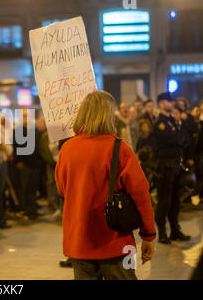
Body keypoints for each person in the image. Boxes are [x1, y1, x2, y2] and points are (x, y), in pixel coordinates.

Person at [55, 91, 156, 280]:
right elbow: (140, 194)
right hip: (116, 242)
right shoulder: (119, 148)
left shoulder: (67, 148)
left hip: (79, 241)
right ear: (109, 114)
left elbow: (62, 189)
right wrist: (148, 235)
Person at [153, 92, 191, 244]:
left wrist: (179, 139)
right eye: (169, 102)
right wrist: (179, 139)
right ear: (162, 104)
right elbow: (174, 139)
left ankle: (175, 230)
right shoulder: (160, 123)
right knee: (164, 201)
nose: (172, 104)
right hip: (165, 167)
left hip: (175, 165)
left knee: (175, 200)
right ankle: (162, 232)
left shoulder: (172, 122)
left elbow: (186, 139)